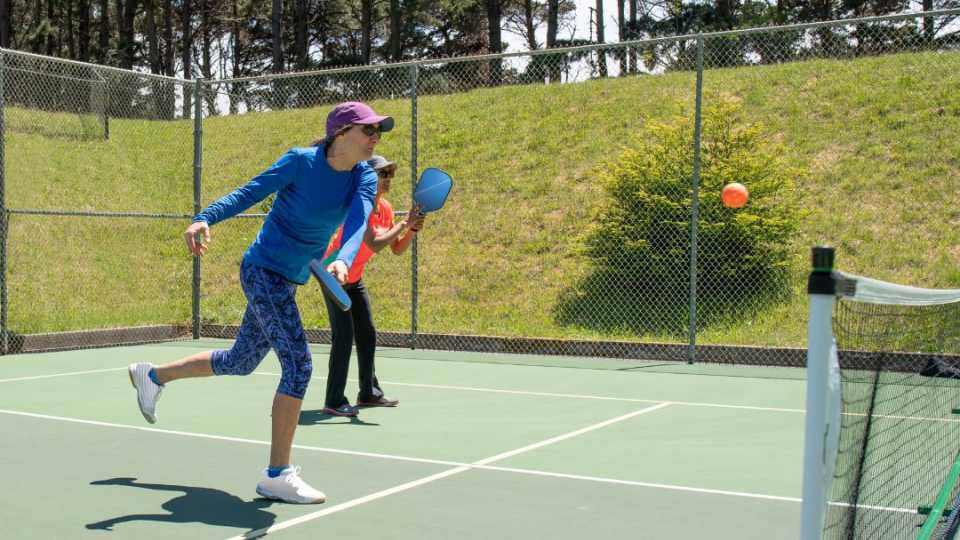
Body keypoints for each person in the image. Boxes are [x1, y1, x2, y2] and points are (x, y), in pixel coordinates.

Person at [126, 101, 391, 504]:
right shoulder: (300, 163)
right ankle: (276, 475)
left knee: (241, 360)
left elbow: (357, 223)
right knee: (300, 364)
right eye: (368, 130)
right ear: (341, 134)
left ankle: (153, 376)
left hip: (290, 278)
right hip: (263, 269)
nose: (375, 137)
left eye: (378, 131)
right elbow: (251, 191)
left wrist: (342, 259)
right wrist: (205, 217)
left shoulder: (363, 179)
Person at [321, 155, 425, 417]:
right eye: (383, 173)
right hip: (333, 274)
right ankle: (334, 400)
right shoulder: (359, 205)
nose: (388, 178)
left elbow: (396, 249)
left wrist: (411, 231)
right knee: (344, 337)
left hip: (354, 279)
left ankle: (368, 393)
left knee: (367, 334)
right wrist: (406, 222)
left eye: (390, 173)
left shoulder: (386, 208)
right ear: (368, 177)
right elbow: (373, 244)